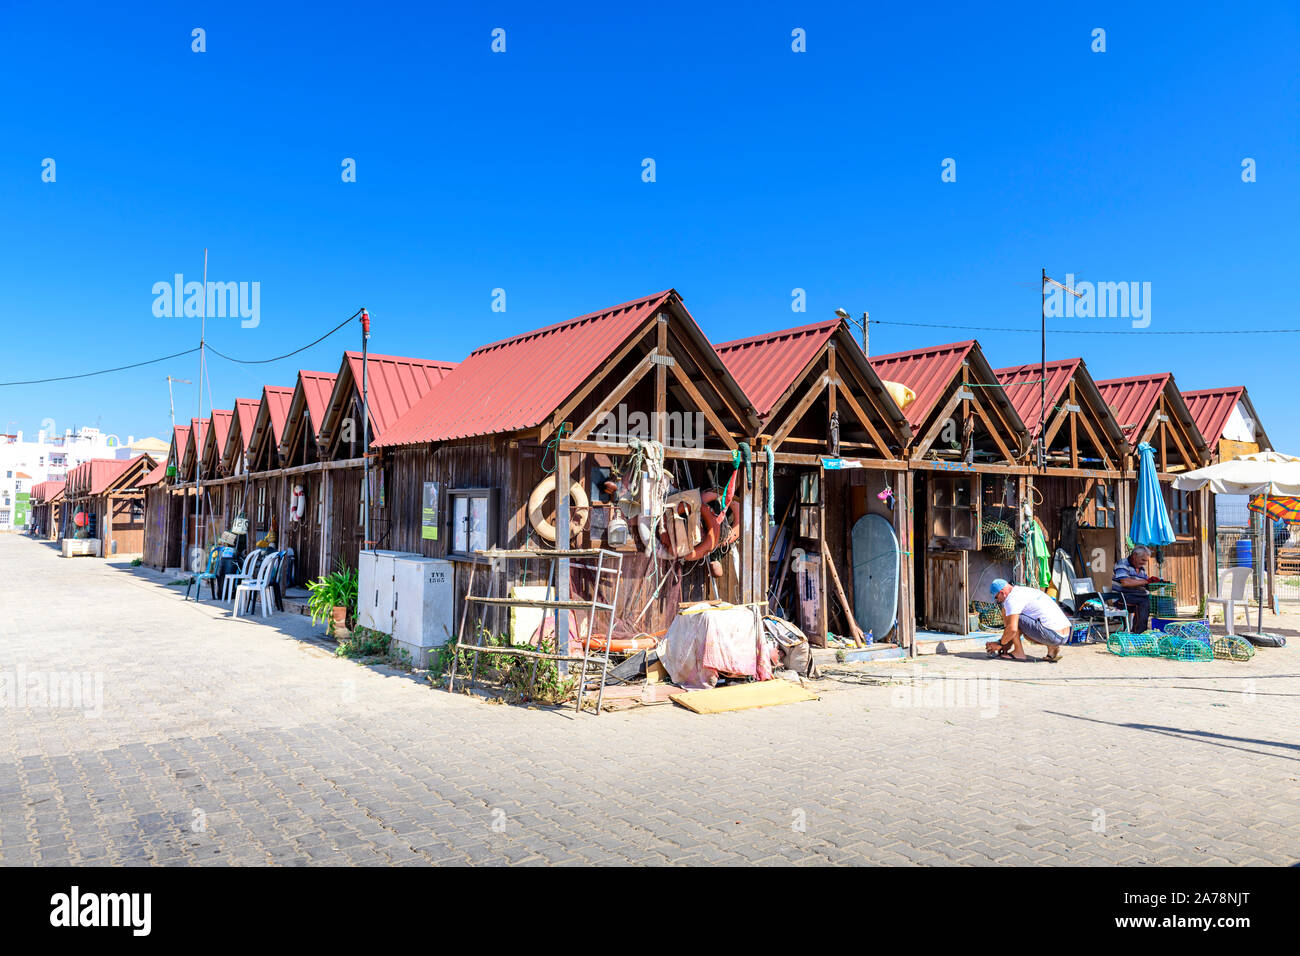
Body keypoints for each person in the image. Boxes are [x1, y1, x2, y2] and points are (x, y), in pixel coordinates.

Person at [985, 578, 1071, 662]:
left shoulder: (1011, 599)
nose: (998, 600)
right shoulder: (1024, 591)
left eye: (996, 597)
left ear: (1002, 593)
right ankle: (1052, 647)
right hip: (1065, 635)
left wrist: (1000, 644)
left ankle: (1019, 653)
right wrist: (1006, 643)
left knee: (1009, 616)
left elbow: (1012, 629)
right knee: (1024, 630)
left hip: (1052, 634)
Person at [1111, 546, 1162, 633]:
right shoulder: (1122, 564)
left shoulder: (1141, 569)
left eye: (1146, 561)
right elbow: (1125, 583)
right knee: (1143, 601)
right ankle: (1138, 633)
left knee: (1153, 601)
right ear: (1134, 556)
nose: (1145, 563)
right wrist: (1146, 581)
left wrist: (1156, 584)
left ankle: (1142, 630)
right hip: (1121, 598)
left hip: (1136, 596)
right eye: (1143, 560)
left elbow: (1145, 584)